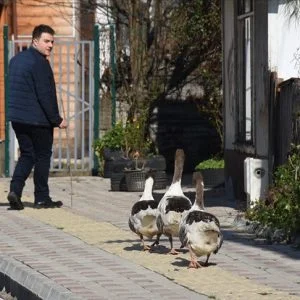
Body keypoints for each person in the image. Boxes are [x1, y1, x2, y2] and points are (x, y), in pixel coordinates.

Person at [7, 24, 67, 210]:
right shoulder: (40, 62)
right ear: (35, 41)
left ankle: (15, 191)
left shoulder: (16, 60)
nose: (50, 45)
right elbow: (45, 94)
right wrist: (57, 119)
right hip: (38, 120)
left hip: (17, 117)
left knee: (27, 154)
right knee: (42, 156)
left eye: (52, 42)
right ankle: (41, 198)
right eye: (46, 41)